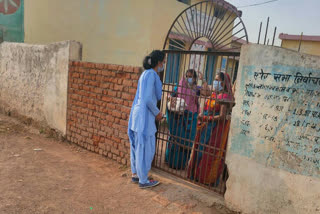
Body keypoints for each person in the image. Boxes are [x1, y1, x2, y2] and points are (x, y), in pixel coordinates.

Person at [187, 72, 234, 185]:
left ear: (223, 83)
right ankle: (196, 174)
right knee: (200, 150)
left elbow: (222, 116)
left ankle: (206, 178)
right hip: (205, 126)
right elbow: (206, 96)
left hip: (215, 130)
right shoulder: (215, 94)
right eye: (215, 79)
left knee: (209, 152)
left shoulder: (225, 97)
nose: (215, 82)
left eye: (217, 80)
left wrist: (207, 118)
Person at [128, 50, 165, 188]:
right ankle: (143, 180)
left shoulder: (145, 73)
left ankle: (136, 174)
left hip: (138, 115)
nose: (164, 64)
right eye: (163, 61)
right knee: (146, 148)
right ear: (159, 62)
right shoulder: (151, 75)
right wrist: (158, 113)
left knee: (138, 146)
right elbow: (148, 98)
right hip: (145, 116)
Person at [165, 69, 202, 169]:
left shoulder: (196, 89)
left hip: (191, 118)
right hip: (179, 117)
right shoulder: (180, 86)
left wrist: (204, 80)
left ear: (194, 78)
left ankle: (181, 164)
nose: (188, 78)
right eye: (187, 76)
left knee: (187, 141)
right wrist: (171, 99)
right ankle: (170, 161)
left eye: (191, 76)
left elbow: (207, 93)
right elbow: (169, 96)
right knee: (175, 138)